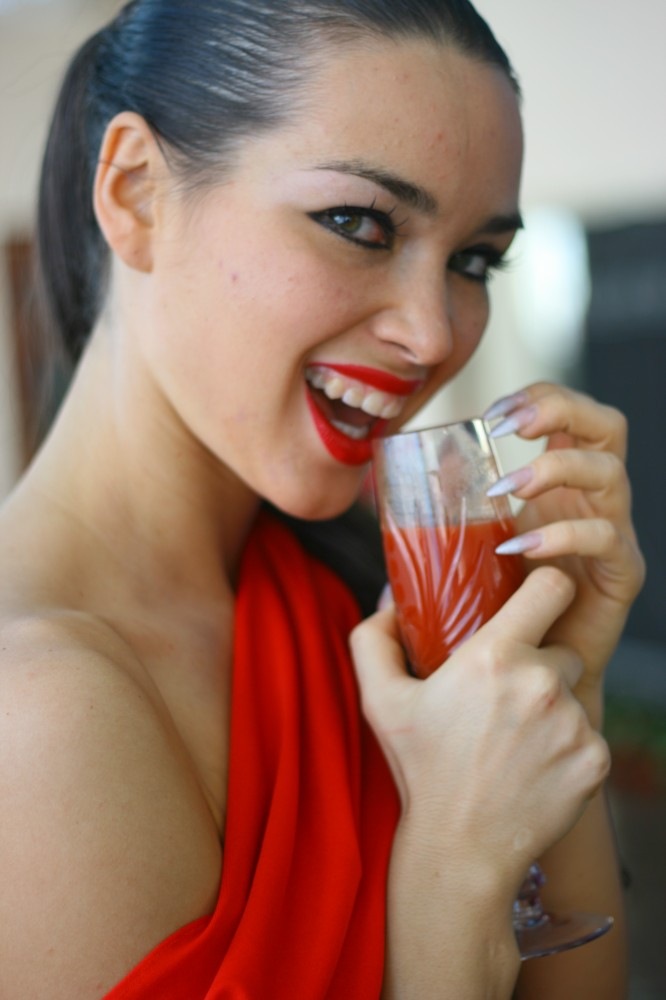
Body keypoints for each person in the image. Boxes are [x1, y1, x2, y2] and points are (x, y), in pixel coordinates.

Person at [0, 1, 644, 997]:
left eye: (474, 260)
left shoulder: (369, 605)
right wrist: (450, 881)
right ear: (135, 193)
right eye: (359, 224)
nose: (434, 334)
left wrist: (558, 687)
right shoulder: (35, 716)